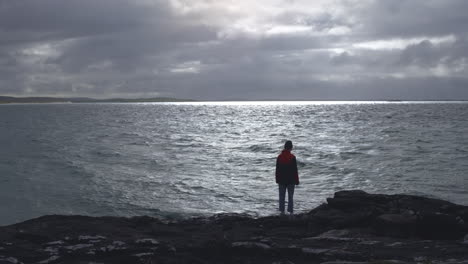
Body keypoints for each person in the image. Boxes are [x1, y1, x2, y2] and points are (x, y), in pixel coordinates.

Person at [275, 140, 299, 216]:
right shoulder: (292, 157)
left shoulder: (279, 157)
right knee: (290, 197)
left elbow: (277, 170)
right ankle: (291, 213)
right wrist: (297, 180)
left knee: (281, 197)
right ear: (291, 148)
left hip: (281, 180)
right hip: (291, 180)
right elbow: (295, 170)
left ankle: (282, 212)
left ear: (284, 147)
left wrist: (277, 179)